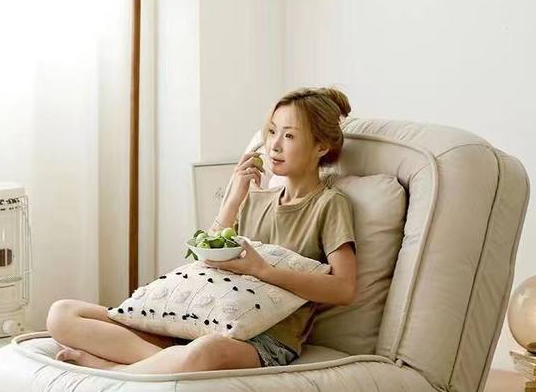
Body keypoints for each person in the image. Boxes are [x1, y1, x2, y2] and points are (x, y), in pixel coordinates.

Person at [46, 86, 357, 374]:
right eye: (272, 132)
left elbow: (344, 289)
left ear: (320, 145)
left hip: (261, 341)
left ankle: (113, 371)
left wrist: (263, 271)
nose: (274, 145)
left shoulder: (330, 204)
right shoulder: (256, 199)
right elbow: (205, 257)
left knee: (205, 352)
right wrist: (234, 196)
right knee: (62, 314)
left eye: (289, 136)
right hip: (203, 322)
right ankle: (157, 363)